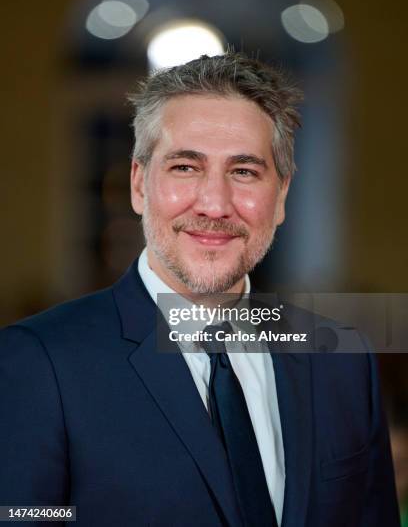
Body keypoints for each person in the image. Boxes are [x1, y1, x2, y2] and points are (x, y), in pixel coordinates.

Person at [0, 52, 401, 526]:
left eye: (244, 171)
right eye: (186, 167)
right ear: (139, 185)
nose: (215, 204)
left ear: (282, 197)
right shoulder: (39, 362)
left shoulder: (343, 361)